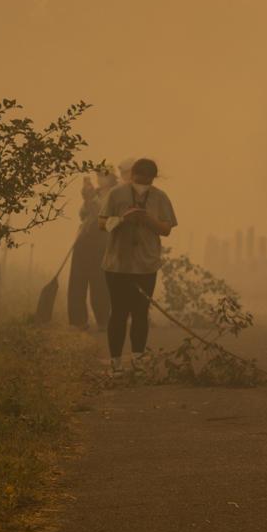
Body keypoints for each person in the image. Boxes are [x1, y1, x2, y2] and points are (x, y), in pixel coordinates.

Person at [100, 158, 177, 372]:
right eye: (138, 180)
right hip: (118, 264)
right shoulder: (116, 194)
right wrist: (122, 219)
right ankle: (115, 362)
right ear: (132, 176)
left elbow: (166, 229)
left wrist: (147, 219)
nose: (142, 184)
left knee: (141, 313)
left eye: (147, 181)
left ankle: (138, 360)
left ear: (153, 179)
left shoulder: (160, 197)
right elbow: (101, 222)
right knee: (118, 312)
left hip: (146, 264)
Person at [67, 170, 115, 331]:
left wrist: (92, 199)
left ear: (112, 177)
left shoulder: (115, 193)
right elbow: (82, 214)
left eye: (104, 175)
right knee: (77, 279)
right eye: (99, 175)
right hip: (84, 239)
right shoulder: (94, 193)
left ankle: (103, 320)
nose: (100, 178)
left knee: (100, 281)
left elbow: (105, 215)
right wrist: (87, 200)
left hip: (102, 241)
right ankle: (78, 321)